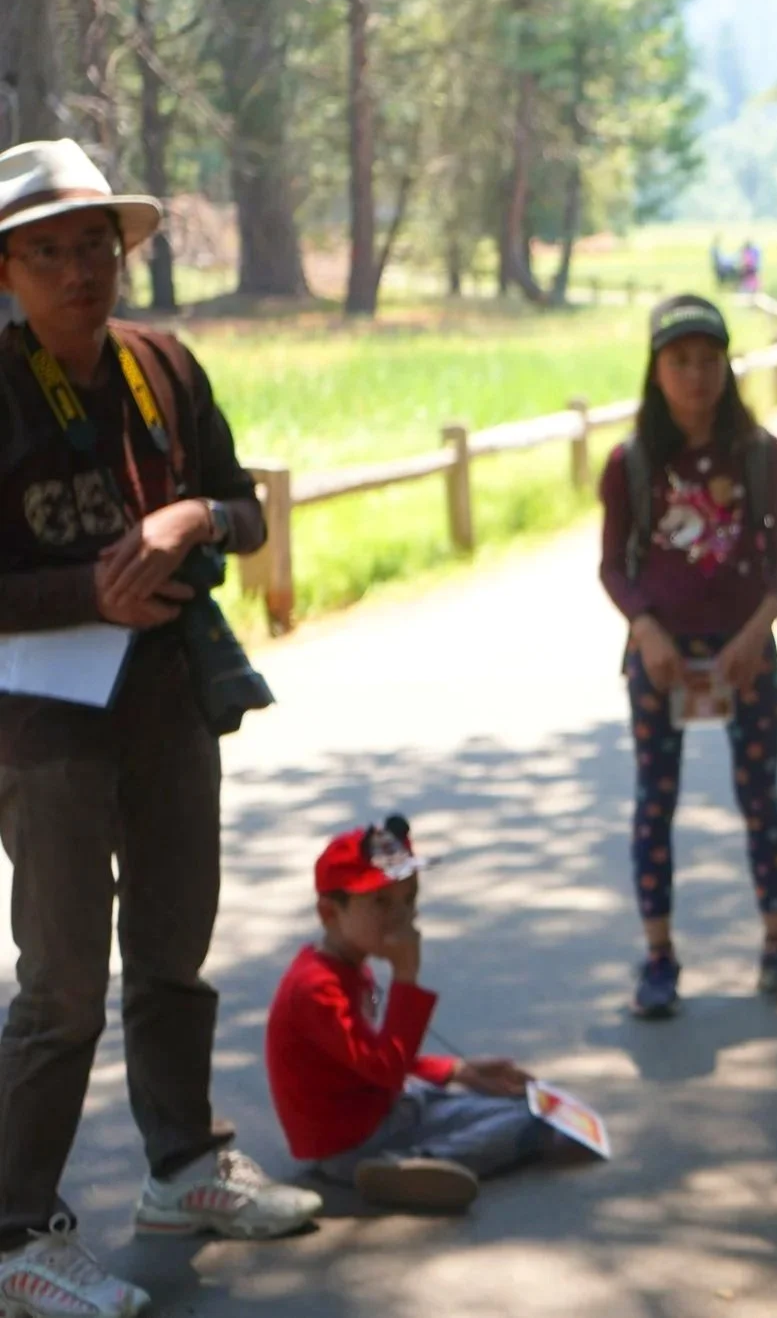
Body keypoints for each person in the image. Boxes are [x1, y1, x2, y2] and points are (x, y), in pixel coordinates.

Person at [0, 139, 319, 1318]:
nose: (82, 270)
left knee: (176, 948)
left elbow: (245, 508)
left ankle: (184, 1168)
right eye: (49, 252)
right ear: (7, 271)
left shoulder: (161, 366)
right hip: (41, 727)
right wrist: (85, 591)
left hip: (167, 697)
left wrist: (192, 513)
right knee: (65, 984)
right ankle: (15, 1234)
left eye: (98, 244)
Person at [599, 294, 777, 1019]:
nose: (694, 375)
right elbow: (613, 568)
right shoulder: (630, 464)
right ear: (656, 371)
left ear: (727, 366)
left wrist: (757, 632)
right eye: (678, 360)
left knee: (761, 801)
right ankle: (658, 958)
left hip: (746, 652)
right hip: (660, 659)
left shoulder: (760, 455)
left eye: (707, 359)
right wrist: (647, 633)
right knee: (654, 804)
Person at [264, 817, 554, 1213]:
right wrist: (406, 977)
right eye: (381, 902)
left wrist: (458, 1070)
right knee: (529, 1125)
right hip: (352, 1143)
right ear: (330, 913)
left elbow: (370, 1058)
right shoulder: (316, 987)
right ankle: (417, 1165)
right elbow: (384, 1067)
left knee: (530, 1110)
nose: (401, 916)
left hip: (384, 1109)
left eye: (409, 899)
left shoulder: (348, 967)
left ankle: (413, 1164)